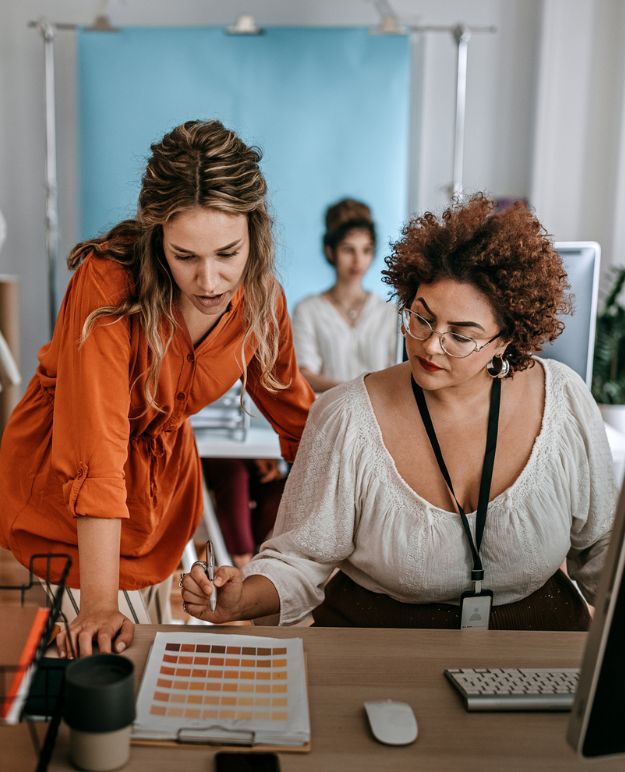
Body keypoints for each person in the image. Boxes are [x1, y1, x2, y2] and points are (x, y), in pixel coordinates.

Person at [181, 194, 617, 630]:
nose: (430, 345)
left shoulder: (562, 401)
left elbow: (600, 549)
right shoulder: (346, 416)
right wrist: (239, 600)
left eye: (461, 336)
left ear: (506, 341)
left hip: (536, 648)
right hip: (379, 644)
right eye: (421, 319)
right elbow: (299, 560)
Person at [0, 119, 314, 655]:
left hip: (159, 503)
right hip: (67, 494)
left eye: (228, 254)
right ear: (155, 236)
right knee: (99, 657)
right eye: (185, 256)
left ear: (255, 233)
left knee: (144, 654)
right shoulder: (106, 285)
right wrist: (98, 603)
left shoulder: (263, 299)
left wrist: (323, 564)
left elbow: (300, 423)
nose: (210, 281)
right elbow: (95, 446)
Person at [291, 198, 397, 392]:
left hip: (381, 419)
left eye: (366, 250)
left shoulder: (389, 313)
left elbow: (398, 374)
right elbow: (303, 375)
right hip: (328, 416)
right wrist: (357, 392)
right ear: (330, 251)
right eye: (348, 250)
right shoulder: (308, 310)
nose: (358, 260)